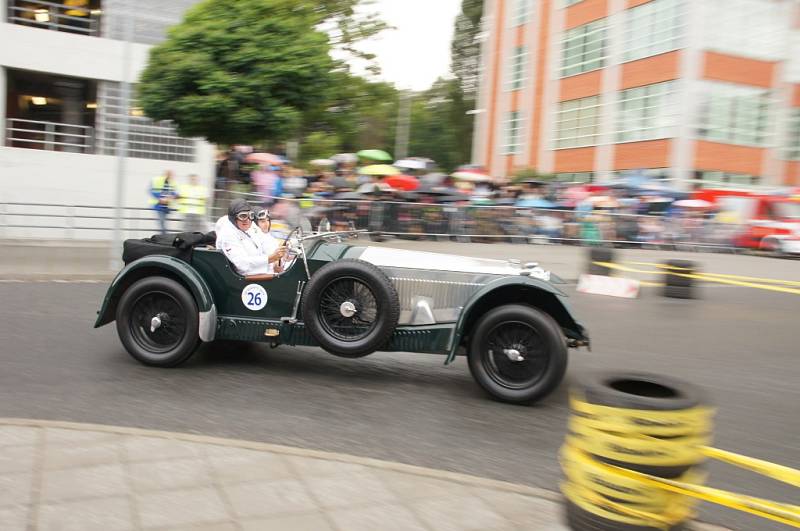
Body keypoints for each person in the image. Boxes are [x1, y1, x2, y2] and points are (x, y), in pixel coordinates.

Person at [215, 199, 286, 276]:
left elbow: (266, 242)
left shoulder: (251, 226)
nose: (248, 220)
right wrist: (270, 259)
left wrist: (276, 262)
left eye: (250, 215)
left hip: (266, 272)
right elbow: (242, 264)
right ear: (233, 218)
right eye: (243, 216)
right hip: (248, 278)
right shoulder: (227, 235)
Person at [253, 206, 284, 274]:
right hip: (269, 276)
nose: (267, 224)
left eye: (268, 220)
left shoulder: (268, 236)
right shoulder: (256, 240)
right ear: (254, 223)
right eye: (263, 221)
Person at [150, 170, 177, 234]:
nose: (171, 176)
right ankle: (164, 236)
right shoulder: (158, 181)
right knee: (162, 223)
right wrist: (160, 199)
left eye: (171, 175)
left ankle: (163, 236)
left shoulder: (172, 183)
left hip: (167, 206)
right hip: (159, 205)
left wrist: (171, 197)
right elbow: (152, 191)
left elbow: (174, 193)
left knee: (163, 223)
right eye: (169, 174)